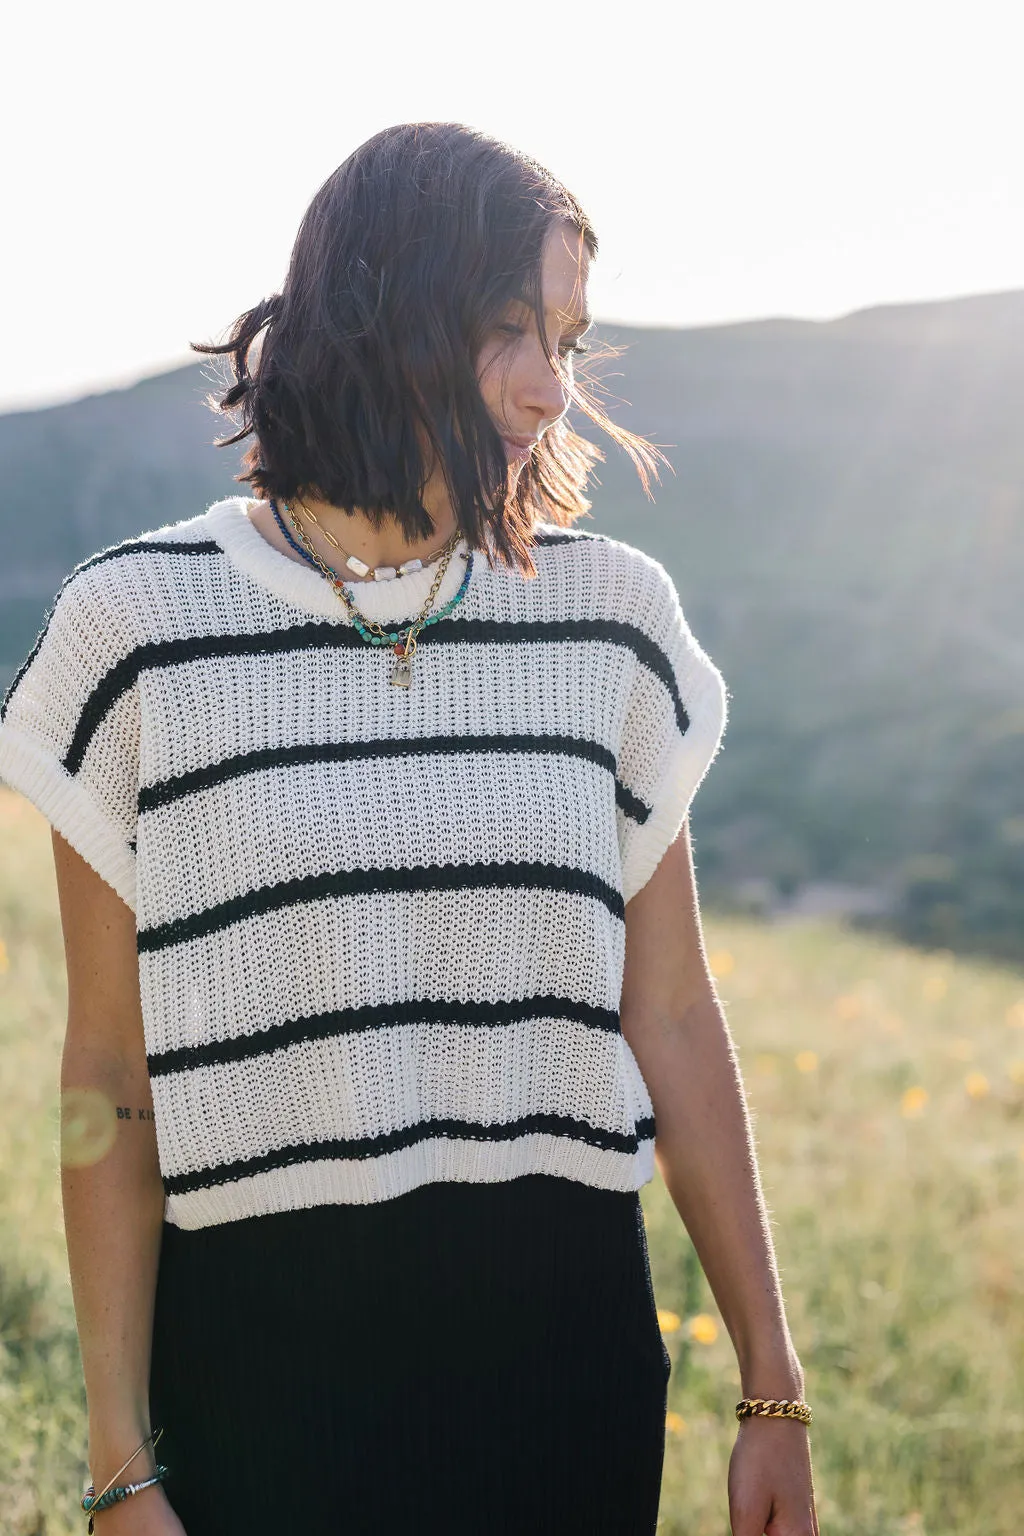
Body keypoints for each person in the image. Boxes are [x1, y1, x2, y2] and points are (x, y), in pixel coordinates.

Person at [0, 122, 818, 1535]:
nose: (549, 388)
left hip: (564, 1352)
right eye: (506, 327)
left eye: (567, 337)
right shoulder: (134, 634)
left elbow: (674, 1015)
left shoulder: (608, 619)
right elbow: (107, 1070)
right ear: (380, 308)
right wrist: (121, 1458)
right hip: (257, 1359)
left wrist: (771, 1386)